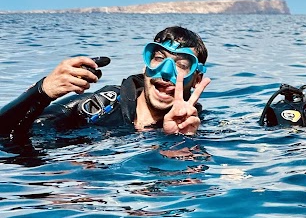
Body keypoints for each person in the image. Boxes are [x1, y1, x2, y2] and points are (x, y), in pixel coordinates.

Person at [0, 26, 210, 139]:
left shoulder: (197, 128)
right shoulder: (100, 107)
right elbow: (6, 136)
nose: (165, 74)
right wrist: (41, 92)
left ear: (197, 79)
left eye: (182, 65)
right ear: (146, 66)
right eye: (158, 58)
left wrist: (177, 142)